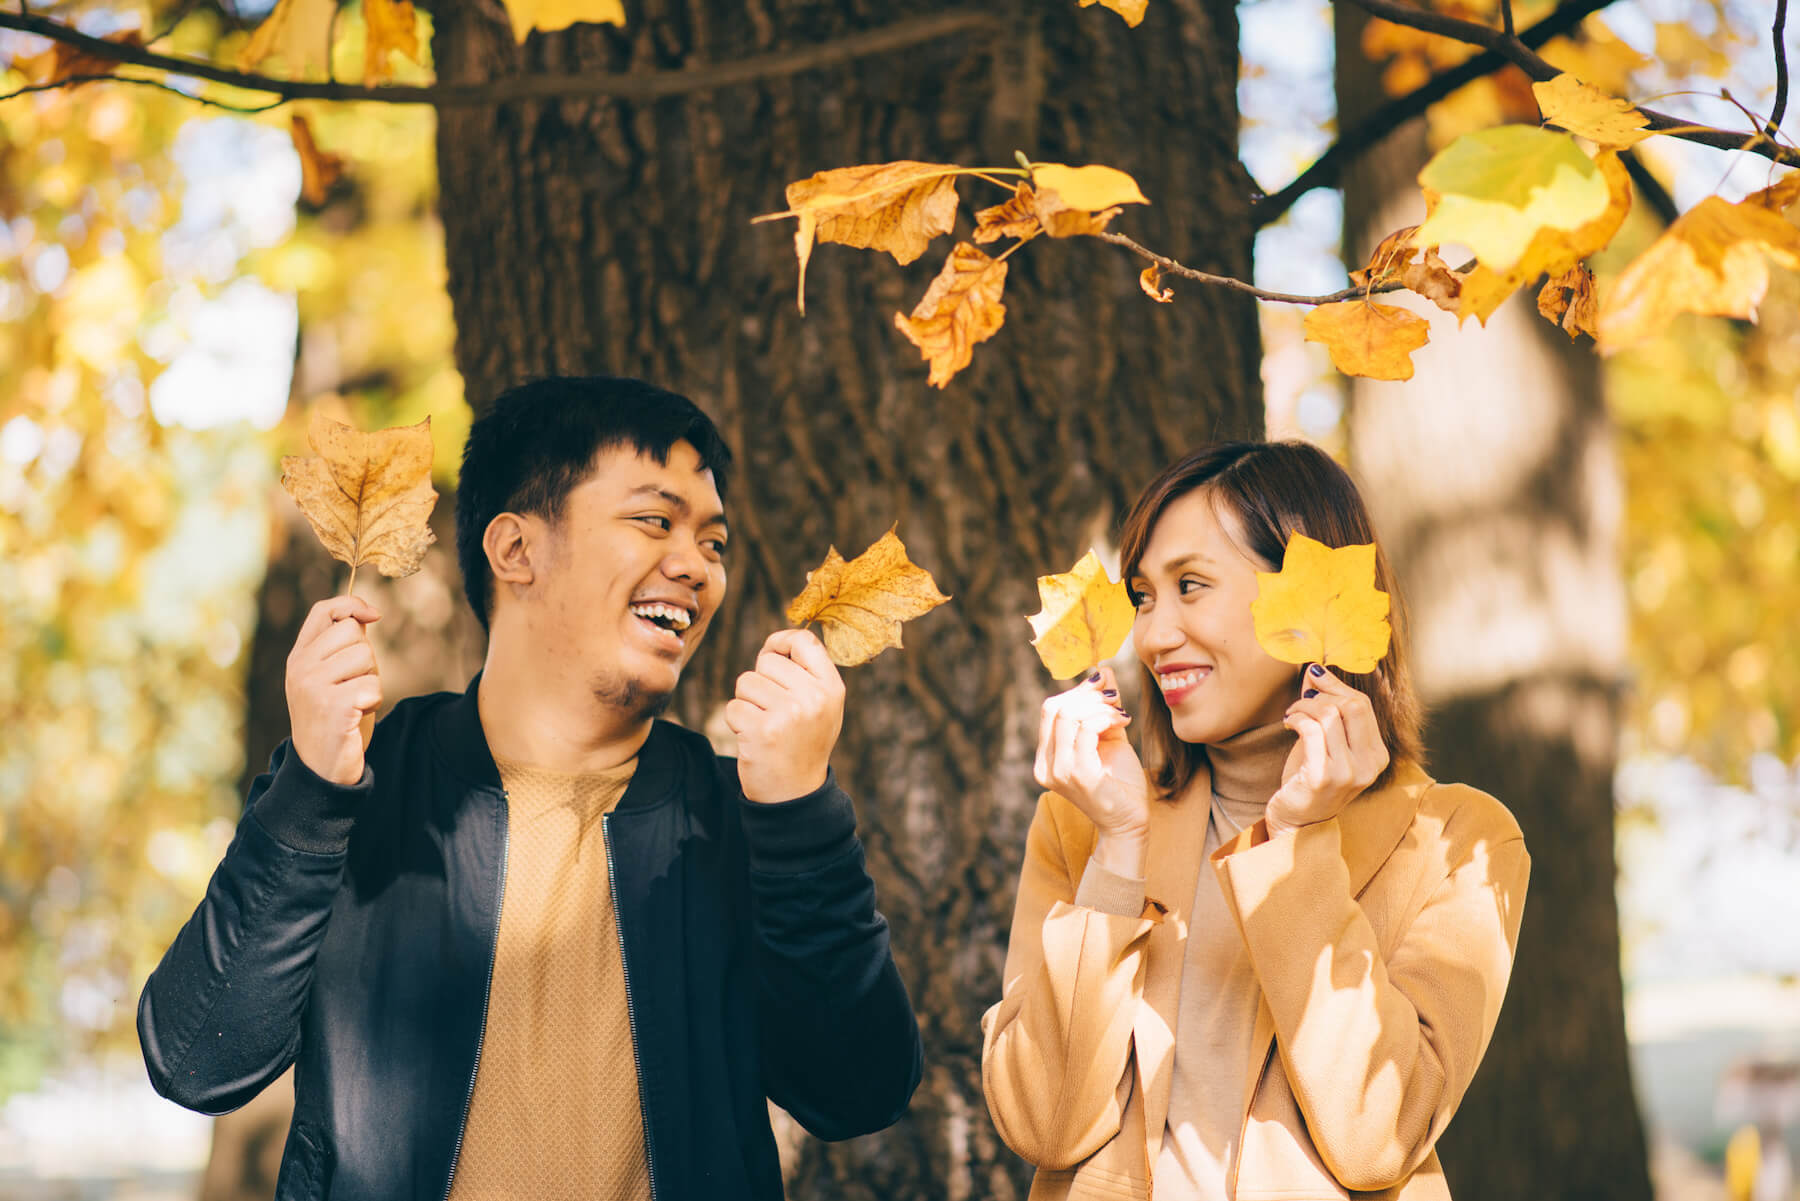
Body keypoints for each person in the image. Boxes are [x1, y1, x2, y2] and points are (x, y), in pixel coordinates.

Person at [138, 376, 922, 1201]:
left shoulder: (735, 820)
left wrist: (801, 816)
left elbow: (857, 1089)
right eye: (655, 521)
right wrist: (308, 795)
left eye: (715, 543)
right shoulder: (362, 783)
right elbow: (197, 1056)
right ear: (516, 550)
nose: (696, 566)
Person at [982, 441, 1530, 1201]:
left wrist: (1298, 844)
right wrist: (1118, 849)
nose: (1152, 633)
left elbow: (1378, 1138)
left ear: (1307, 603)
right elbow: (1042, 1124)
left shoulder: (1459, 842)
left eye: (1191, 586)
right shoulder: (1081, 824)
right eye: (1143, 597)